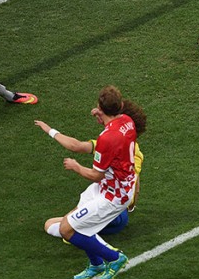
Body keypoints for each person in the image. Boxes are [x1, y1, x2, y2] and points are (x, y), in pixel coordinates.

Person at [34, 86, 146, 279]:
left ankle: (115, 258)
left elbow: (96, 175)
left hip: (113, 195)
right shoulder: (127, 121)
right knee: (72, 224)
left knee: (66, 229)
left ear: (102, 108)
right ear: (120, 106)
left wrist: (76, 167)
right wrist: (101, 115)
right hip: (114, 187)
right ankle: (96, 264)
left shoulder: (106, 140)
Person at [40, 99, 146, 238]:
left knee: (57, 226)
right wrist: (131, 206)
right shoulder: (134, 152)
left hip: (112, 209)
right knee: (61, 222)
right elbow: (135, 186)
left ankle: (105, 252)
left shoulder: (109, 143)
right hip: (118, 208)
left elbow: (77, 147)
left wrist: (51, 131)